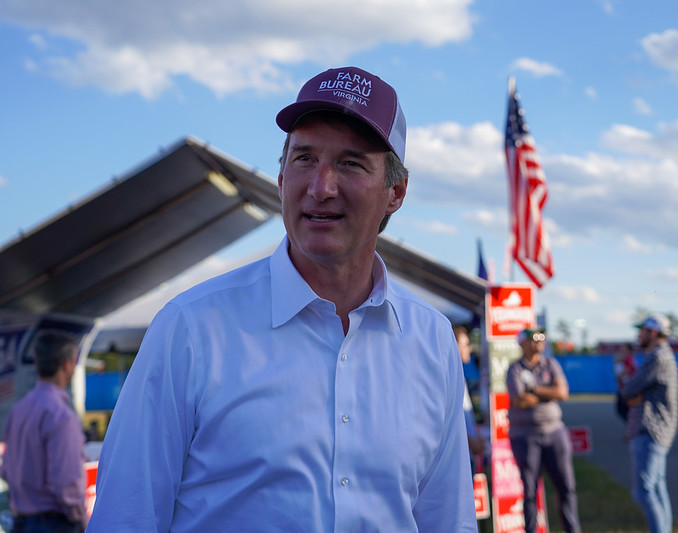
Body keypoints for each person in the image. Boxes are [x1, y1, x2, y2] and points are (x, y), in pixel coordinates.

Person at [86, 66, 477, 532]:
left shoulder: (431, 340)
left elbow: (446, 519)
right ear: (280, 175)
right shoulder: (191, 328)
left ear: (395, 192)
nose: (320, 187)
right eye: (304, 159)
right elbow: (125, 518)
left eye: (351, 163)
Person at [0, 330, 87, 533]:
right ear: (67, 364)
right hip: (54, 523)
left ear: (37, 363)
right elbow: (65, 482)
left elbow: (6, 469)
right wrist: (80, 518)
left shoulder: (18, 410)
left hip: (21, 521)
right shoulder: (61, 415)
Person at [506, 327, 581, 533]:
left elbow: (563, 392)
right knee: (530, 491)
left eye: (542, 338)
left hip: (554, 432)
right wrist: (549, 393)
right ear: (522, 343)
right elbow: (520, 401)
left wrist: (535, 390)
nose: (539, 342)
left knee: (566, 487)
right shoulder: (515, 369)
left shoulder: (551, 364)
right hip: (525, 435)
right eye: (534, 338)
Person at [622, 314, 678, 533]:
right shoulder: (662, 354)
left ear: (653, 332)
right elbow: (633, 393)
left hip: (650, 430)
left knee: (644, 491)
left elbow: (629, 389)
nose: (638, 335)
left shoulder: (657, 355)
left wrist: (637, 394)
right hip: (658, 430)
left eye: (642, 331)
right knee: (656, 489)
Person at [454, 324, 487, 471]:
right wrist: (472, 443)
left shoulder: (459, 374)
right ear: (453, 345)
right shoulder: (451, 377)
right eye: (466, 345)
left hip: (466, 454)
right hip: (459, 457)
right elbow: (451, 420)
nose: (470, 348)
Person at [613, 342, 637, 422]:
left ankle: (632, 426)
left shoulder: (629, 357)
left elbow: (630, 368)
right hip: (623, 386)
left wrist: (620, 375)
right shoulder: (625, 358)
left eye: (624, 347)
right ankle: (631, 426)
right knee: (622, 410)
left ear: (628, 349)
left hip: (626, 387)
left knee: (623, 409)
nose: (622, 349)